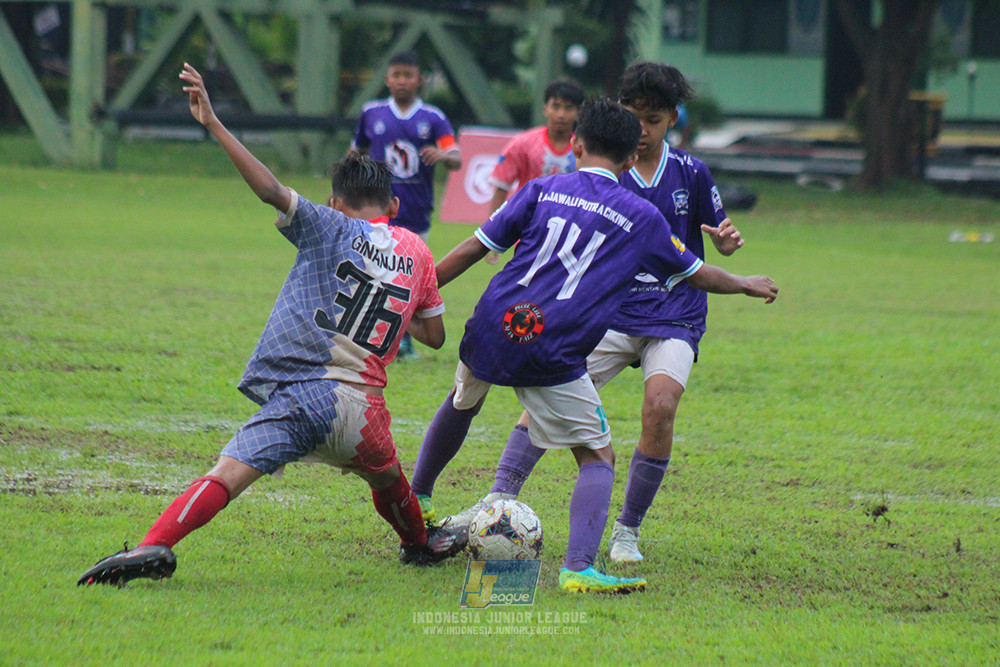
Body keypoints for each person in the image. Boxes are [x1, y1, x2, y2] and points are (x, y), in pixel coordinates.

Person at [77, 64, 466, 587]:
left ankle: (156, 546)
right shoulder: (417, 250)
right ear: (395, 207)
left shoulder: (330, 224)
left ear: (334, 203)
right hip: (366, 412)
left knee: (228, 474)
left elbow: (270, 190)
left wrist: (214, 123)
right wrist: (406, 301)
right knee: (391, 479)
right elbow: (434, 336)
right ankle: (418, 544)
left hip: (306, 397)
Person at [412, 98, 778, 594]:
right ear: (630, 160)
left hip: (493, 322)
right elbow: (696, 272)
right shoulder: (642, 215)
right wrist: (743, 282)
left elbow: (475, 248)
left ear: (577, 146)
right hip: (552, 345)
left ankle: (420, 500)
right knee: (597, 457)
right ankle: (579, 568)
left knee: (463, 401)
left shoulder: (541, 189)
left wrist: (417, 296)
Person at [349, 50, 461, 359]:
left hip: (415, 212)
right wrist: (343, 191)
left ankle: (404, 338)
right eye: (396, 75)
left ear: (420, 80)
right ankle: (367, 335)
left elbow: (456, 157)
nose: (402, 81)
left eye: (408, 75)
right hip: (375, 211)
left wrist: (442, 155)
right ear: (387, 79)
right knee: (373, 273)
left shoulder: (433, 118)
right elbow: (355, 153)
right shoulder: (372, 113)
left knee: (405, 280)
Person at [483, 77, 583, 264]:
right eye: (556, 106)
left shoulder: (584, 149)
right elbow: (501, 186)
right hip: (529, 231)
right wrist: (492, 235)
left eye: (568, 108)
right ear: (545, 108)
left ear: (578, 112)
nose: (561, 114)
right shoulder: (523, 144)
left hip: (571, 234)